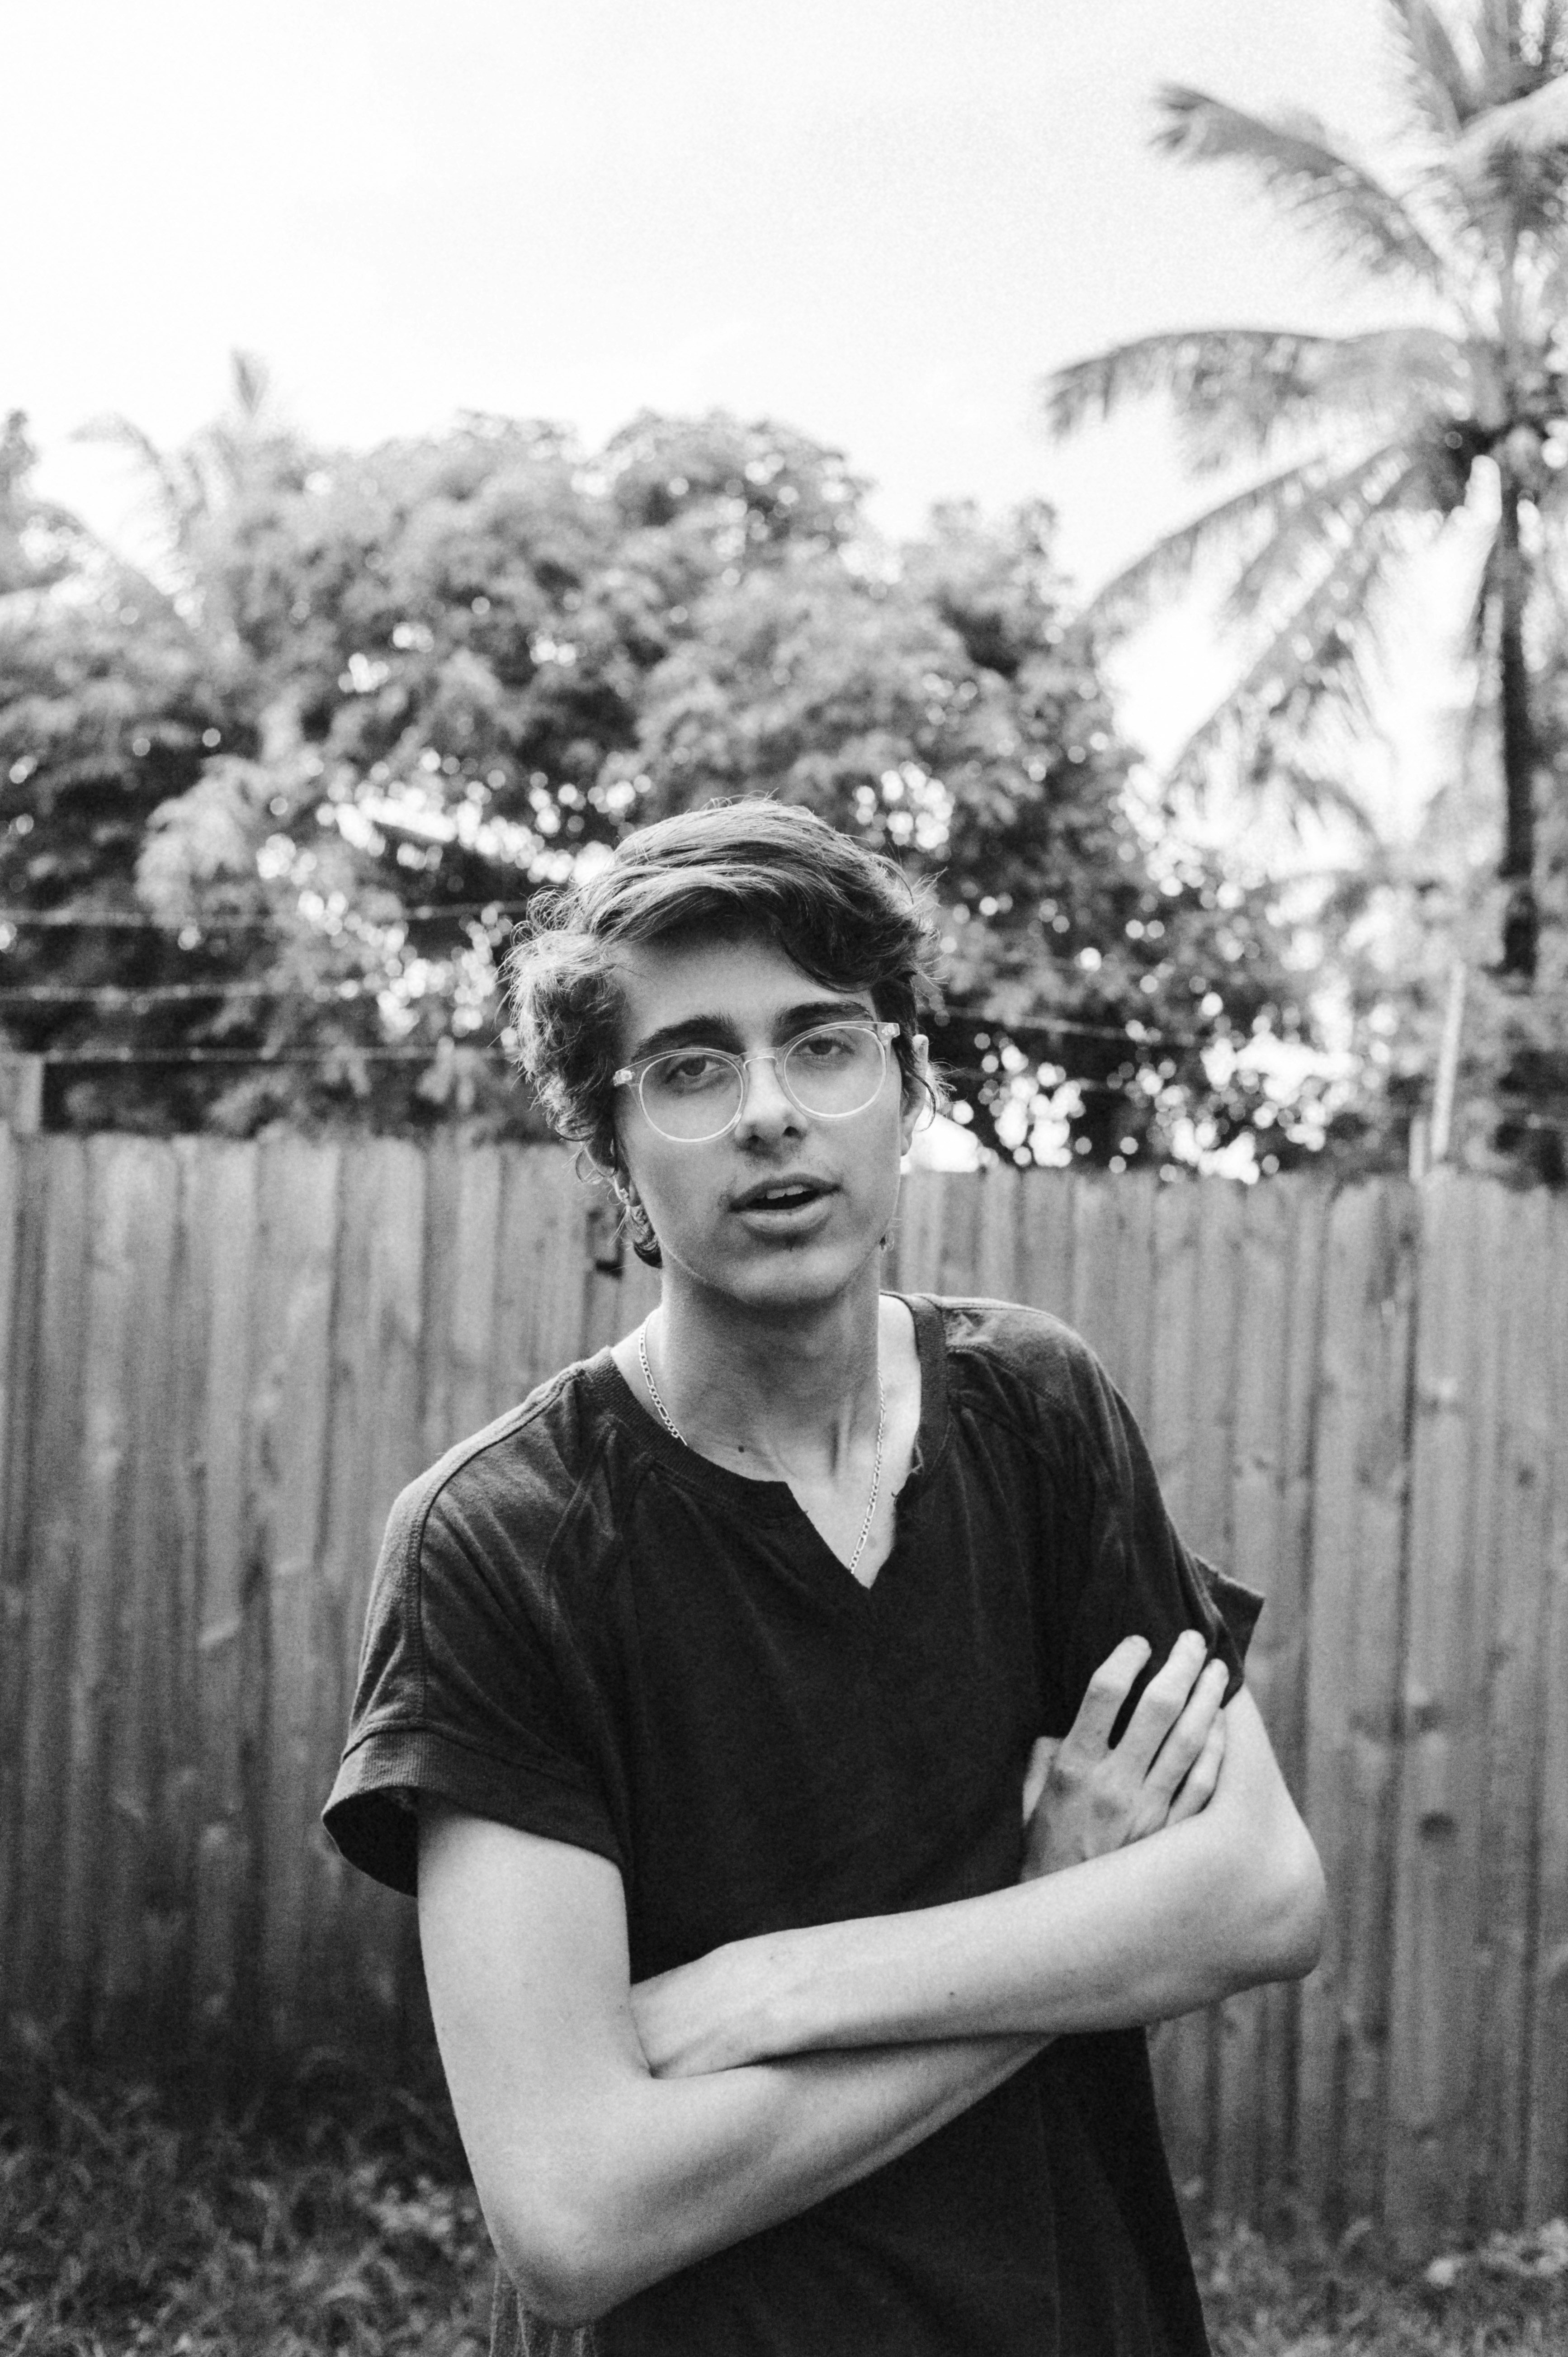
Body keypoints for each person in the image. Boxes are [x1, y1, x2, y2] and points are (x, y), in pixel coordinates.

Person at [323, 797, 1325, 2357]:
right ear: (609, 1148)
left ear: (904, 1086)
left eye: (822, 1043)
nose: (769, 1113)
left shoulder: (1036, 1411)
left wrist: (781, 1985)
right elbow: (574, 2216)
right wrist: (1054, 1919)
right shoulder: (501, 1541)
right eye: (690, 1067)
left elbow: (1260, 1889)